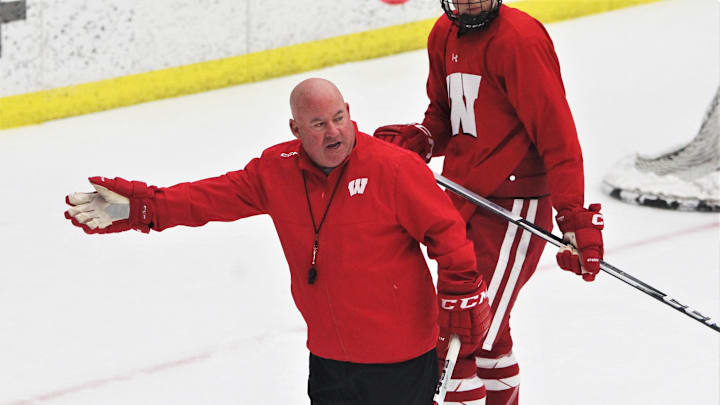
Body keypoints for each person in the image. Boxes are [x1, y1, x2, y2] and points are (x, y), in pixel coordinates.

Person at [64, 78, 492, 405]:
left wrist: (460, 293)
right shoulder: (277, 170)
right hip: (329, 358)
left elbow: (448, 236)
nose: (333, 133)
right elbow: (210, 198)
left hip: (399, 359)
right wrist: (147, 208)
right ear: (295, 128)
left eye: (339, 118)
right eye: (318, 124)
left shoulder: (393, 169)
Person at [373, 1, 606, 404]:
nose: (472, 2)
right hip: (463, 200)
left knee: (460, 339)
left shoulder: (519, 40)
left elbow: (557, 134)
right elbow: (447, 113)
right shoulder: (442, 35)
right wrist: (425, 138)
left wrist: (572, 216)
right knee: (488, 336)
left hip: (514, 207)